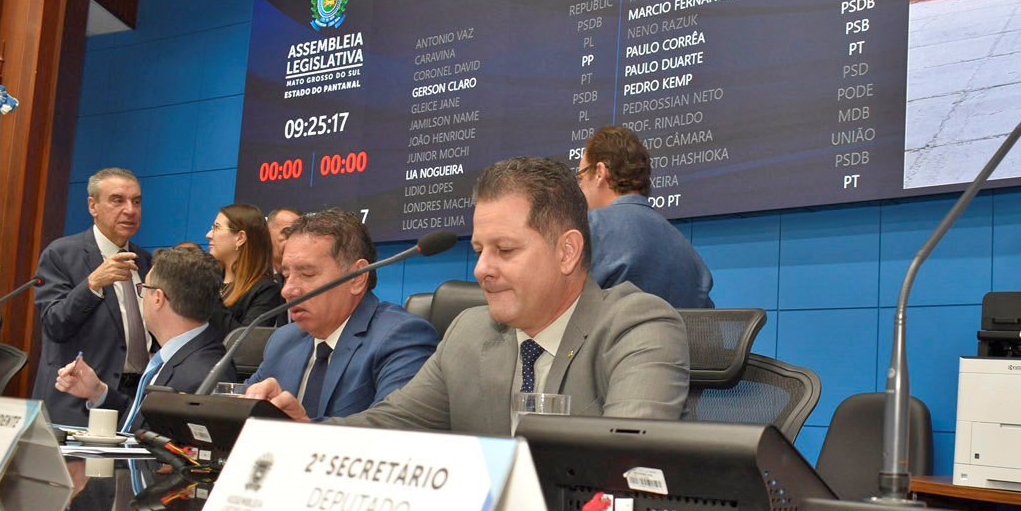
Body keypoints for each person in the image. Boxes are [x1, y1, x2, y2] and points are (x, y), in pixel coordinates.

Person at [250, 157, 690, 434]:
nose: (482, 269)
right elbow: (387, 426)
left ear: (567, 251)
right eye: (479, 250)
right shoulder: (469, 332)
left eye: (505, 250)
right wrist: (303, 432)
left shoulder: (637, 326)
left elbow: (628, 460)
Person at [243, 209, 438, 419]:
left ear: (357, 278)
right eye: (286, 275)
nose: (287, 290)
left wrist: (302, 430)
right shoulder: (283, 341)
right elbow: (238, 405)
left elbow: (393, 425)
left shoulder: (401, 337)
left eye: (307, 274)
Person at [54, 246, 232, 431]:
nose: (142, 297)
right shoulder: (181, 356)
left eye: (144, 288)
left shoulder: (200, 377)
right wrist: (97, 391)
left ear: (158, 298)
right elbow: (142, 422)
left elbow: (162, 443)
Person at [32, 168, 153, 426]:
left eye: (136, 201)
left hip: (131, 402)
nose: (130, 210)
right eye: (117, 200)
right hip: (76, 403)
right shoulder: (62, 254)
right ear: (92, 206)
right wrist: (92, 284)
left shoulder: (145, 261)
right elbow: (54, 324)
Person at [576, 125, 714, 308]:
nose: (579, 188)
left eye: (580, 177)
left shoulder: (590, 229)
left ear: (600, 172)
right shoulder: (690, 257)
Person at [207, 203, 284, 329]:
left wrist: (207, 296)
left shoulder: (265, 291)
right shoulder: (210, 279)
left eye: (216, 227)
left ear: (240, 238)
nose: (209, 235)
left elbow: (245, 339)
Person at [266, 207, 302, 277]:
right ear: (267, 233)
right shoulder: (252, 274)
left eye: (299, 233)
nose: (294, 239)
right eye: (287, 232)